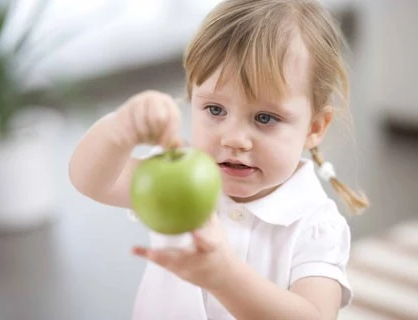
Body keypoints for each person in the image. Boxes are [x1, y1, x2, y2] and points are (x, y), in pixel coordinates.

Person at [69, 0, 369, 319]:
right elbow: (91, 181)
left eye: (265, 118)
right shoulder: (176, 177)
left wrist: (224, 277)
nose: (233, 138)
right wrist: (120, 129)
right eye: (215, 110)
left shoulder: (315, 225)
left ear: (314, 127)